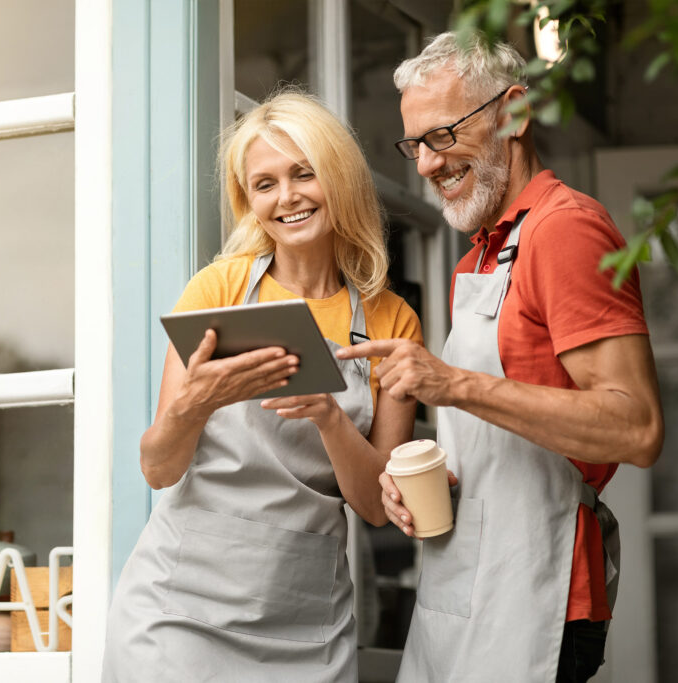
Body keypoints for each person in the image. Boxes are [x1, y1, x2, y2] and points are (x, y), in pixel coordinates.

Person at [337, 32, 664, 683]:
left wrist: (453, 382)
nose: (426, 164)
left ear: (512, 113)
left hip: (537, 594)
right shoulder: (480, 256)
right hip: (464, 587)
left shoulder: (564, 229)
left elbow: (636, 427)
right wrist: (430, 484)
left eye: (442, 136)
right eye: (414, 145)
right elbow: (499, 435)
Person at [101, 90, 423, 682]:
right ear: (249, 201)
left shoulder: (390, 321)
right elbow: (158, 469)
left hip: (303, 619)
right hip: (180, 611)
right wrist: (193, 404)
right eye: (265, 184)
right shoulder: (218, 291)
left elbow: (376, 507)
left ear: (340, 179)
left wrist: (328, 414)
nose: (287, 198)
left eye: (304, 174)